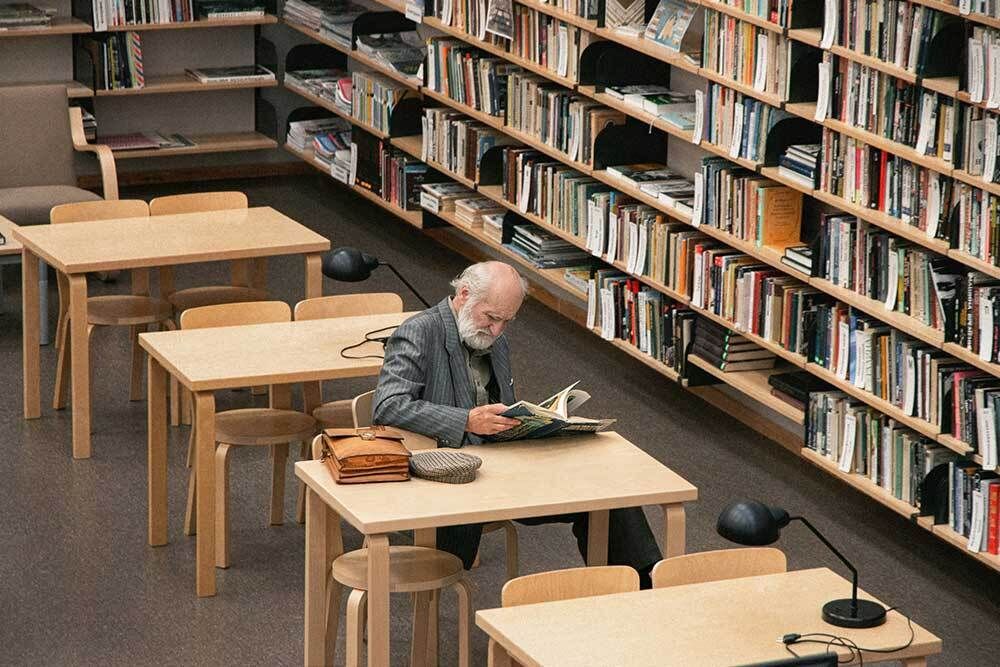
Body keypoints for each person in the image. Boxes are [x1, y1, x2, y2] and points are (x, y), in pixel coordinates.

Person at [372, 261, 662, 587]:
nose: (496, 331)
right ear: (464, 295)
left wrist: (540, 424)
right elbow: (388, 406)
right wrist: (466, 420)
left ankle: (644, 587)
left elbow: (502, 406)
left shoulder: (495, 341)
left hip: (505, 466)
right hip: (452, 476)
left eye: (506, 322)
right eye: (492, 318)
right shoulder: (418, 332)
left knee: (607, 495)